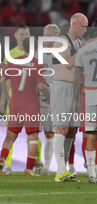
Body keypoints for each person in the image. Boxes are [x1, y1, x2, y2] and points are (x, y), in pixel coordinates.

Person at [0, 37, 50, 177]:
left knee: (10, 137)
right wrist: (50, 99)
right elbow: (41, 86)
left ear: (23, 47)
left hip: (15, 103)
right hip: (31, 103)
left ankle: (1, 161)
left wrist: (8, 98)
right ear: (35, 48)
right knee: (32, 137)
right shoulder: (37, 64)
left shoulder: (13, 61)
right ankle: (29, 170)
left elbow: (2, 81)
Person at [51, 13, 88, 182]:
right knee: (62, 128)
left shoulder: (79, 42)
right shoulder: (62, 41)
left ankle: (64, 169)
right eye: (83, 26)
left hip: (74, 90)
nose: (85, 30)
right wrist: (83, 50)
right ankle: (60, 171)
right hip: (61, 87)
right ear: (74, 24)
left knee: (72, 130)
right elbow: (67, 64)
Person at [73, 18, 97, 183]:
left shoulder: (83, 51)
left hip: (90, 96)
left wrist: (75, 99)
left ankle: (92, 173)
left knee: (90, 135)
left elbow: (77, 78)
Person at [40, 24, 60, 176]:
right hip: (34, 98)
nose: (46, 39)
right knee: (31, 133)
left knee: (50, 133)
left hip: (52, 100)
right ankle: (34, 163)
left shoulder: (60, 55)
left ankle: (46, 166)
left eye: (49, 36)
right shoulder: (35, 54)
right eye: (45, 35)